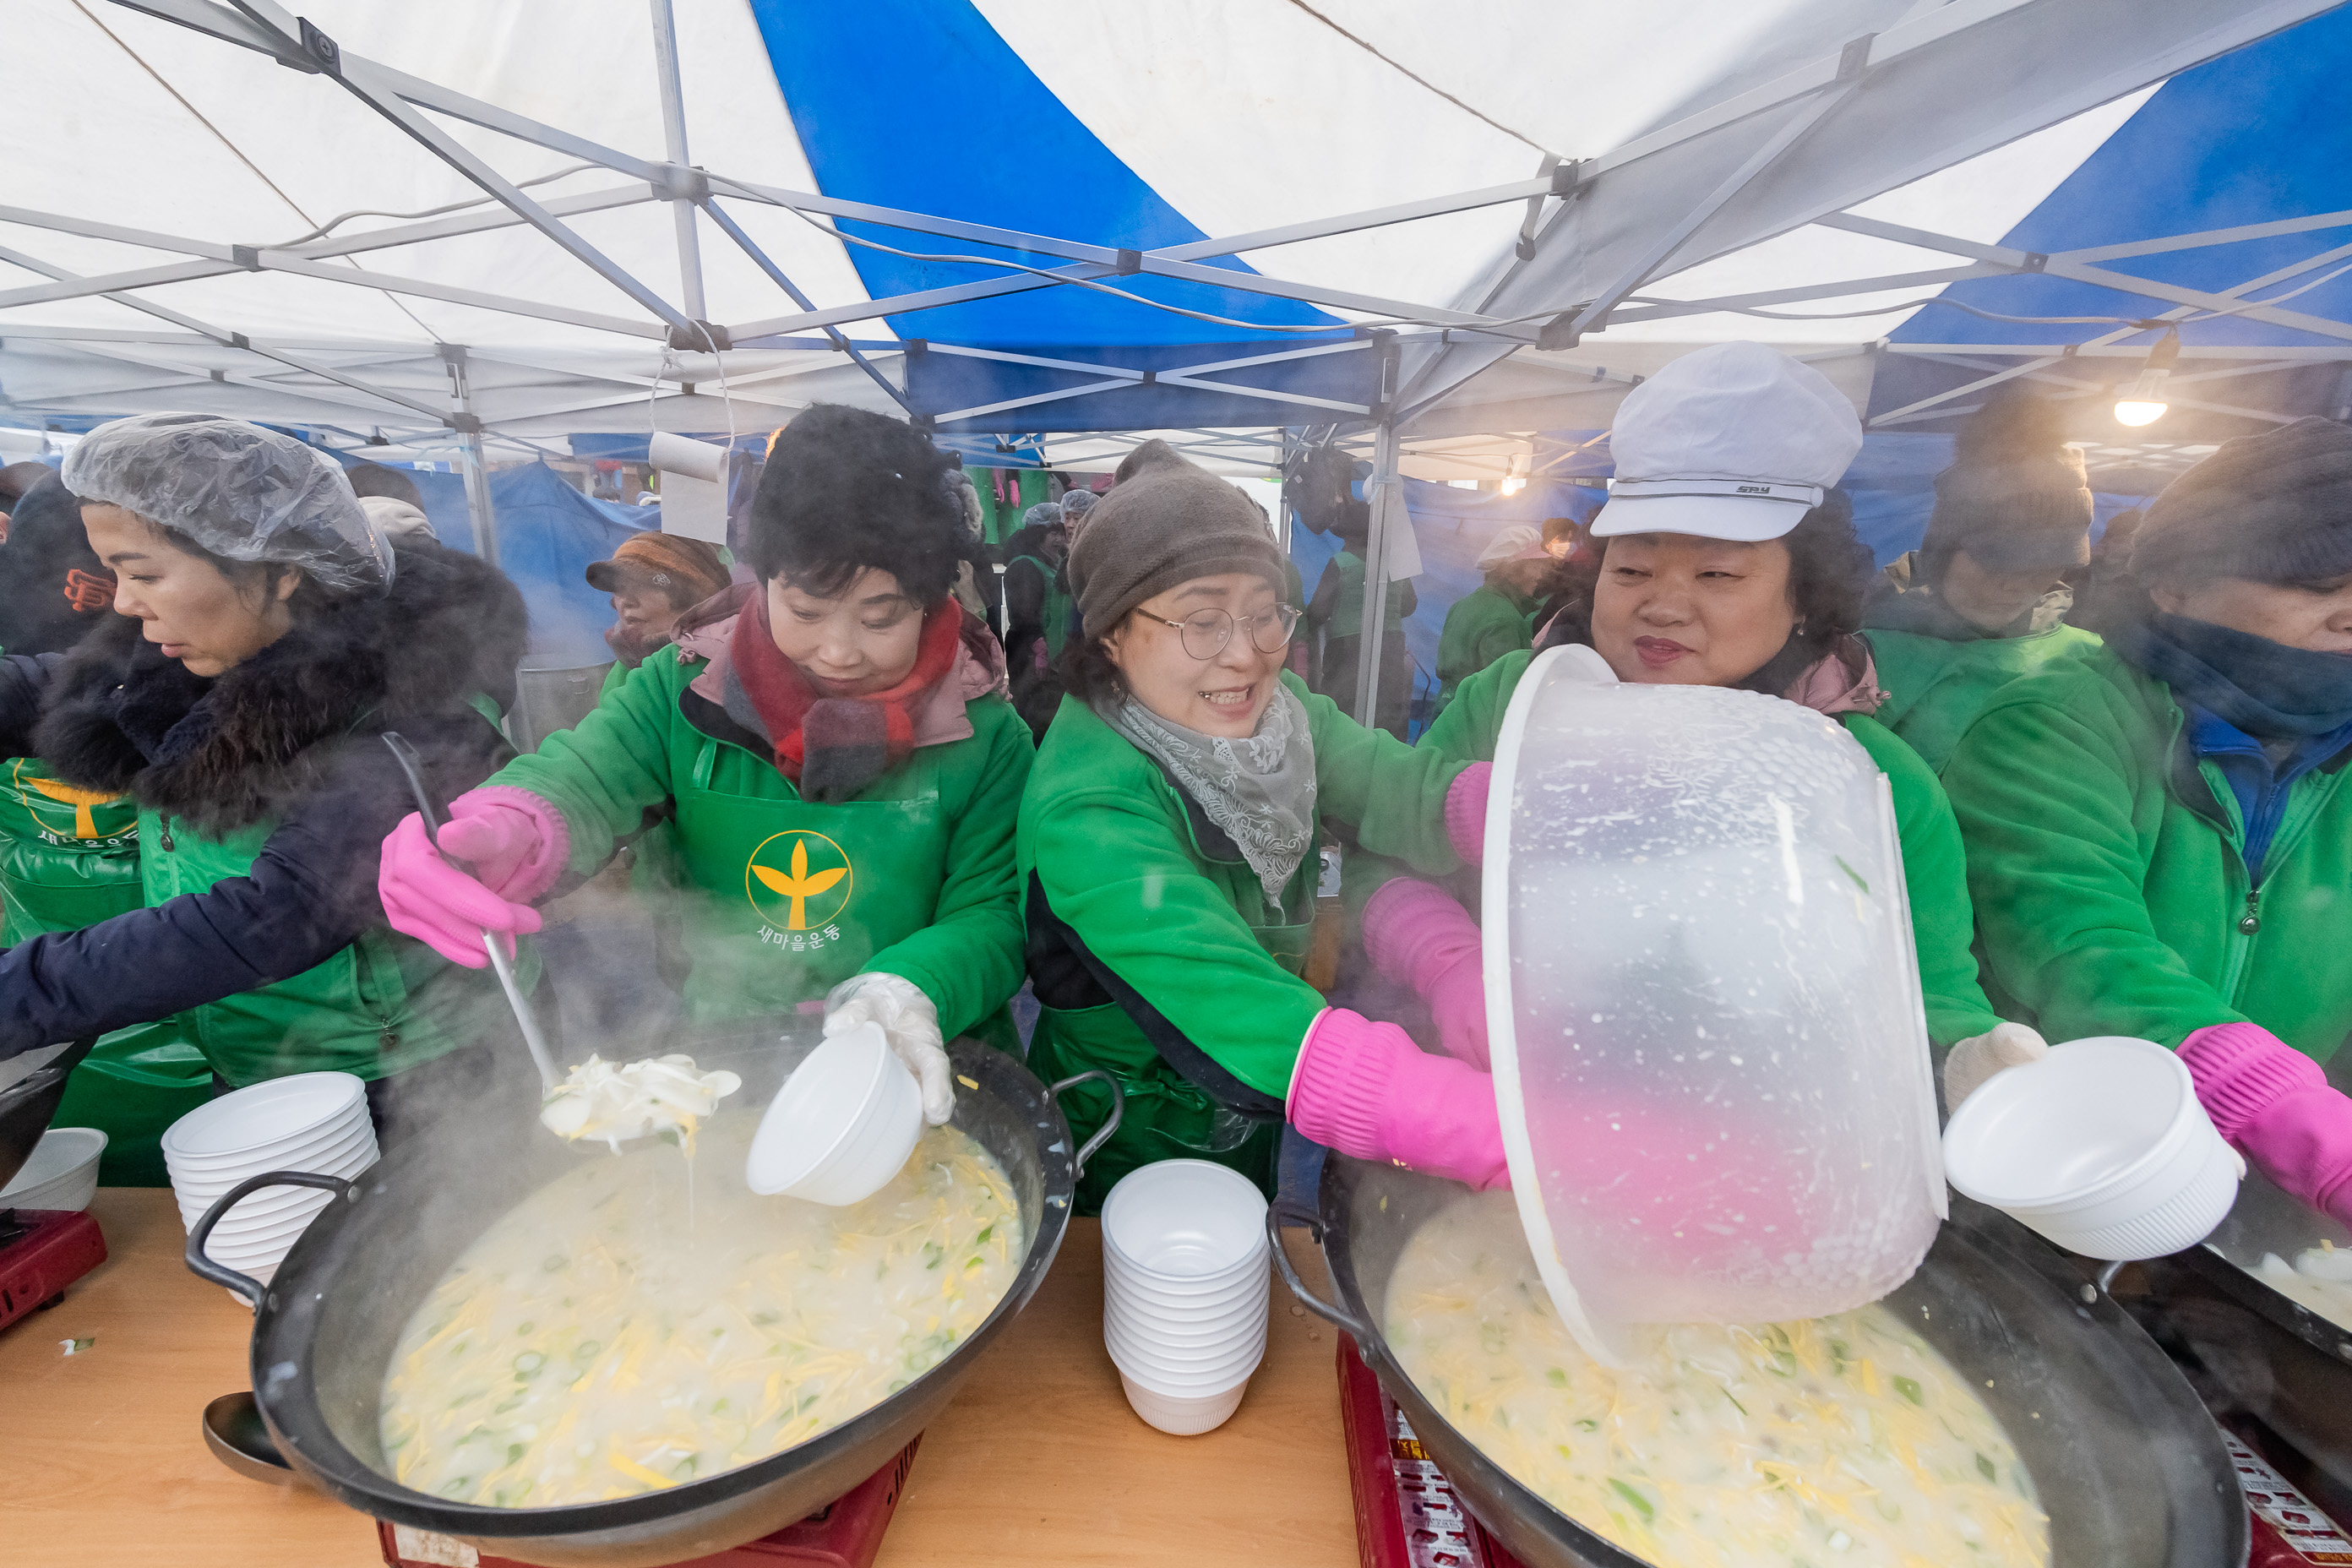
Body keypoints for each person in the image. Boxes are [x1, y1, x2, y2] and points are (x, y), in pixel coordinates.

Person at [1350, 344, 2010, 1082]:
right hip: (1495, 1097)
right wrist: (1438, 955)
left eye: (1717, 573)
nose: (1661, 605)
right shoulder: (1509, 701)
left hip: (1751, 1130)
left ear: (1803, 598)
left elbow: (1931, 992)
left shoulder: (1872, 779)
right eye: (1631, 568)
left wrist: (1955, 1061)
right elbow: (1383, 854)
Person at [376, 406, 1032, 1121]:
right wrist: (513, 824)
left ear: (933, 601)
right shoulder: (679, 687)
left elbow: (994, 911)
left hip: (929, 1049)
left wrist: (906, 987)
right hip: (731, 1049)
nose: (840, 651)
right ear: (764, 578)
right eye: (806, 610)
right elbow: (584, 776)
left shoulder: (986, 735)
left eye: (881, 618)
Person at [0, 415, 534, 1147]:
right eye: (115, 572)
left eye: (144, 573)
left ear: (278, 569)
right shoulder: (173, 663)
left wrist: (20, 991)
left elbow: (279, 910)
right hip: (256, 1058)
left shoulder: (414, 706)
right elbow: (42, 686)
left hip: (412, 1075)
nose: (123, 603)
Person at [1020, 439, 1500, 1211]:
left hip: (1253, 1108)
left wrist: (1542, 822)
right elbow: (1229, 997)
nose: (1244, 657)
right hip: (1127, 1121)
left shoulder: (1285, 715)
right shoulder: (1089, 800)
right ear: (1111, 632)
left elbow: (1406, 789)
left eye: (1263, 614)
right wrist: (1481, 1129)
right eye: (1202, 621)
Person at [1942, 417, 2352, 1227]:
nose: (2349, 615)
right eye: (2315, 584)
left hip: (2260, 1196)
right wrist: (2269, 1097)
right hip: (2052, 1168)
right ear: (2176, 584)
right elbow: (2077, 941)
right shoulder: (2060, 720)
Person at [1860, 392, 2101, 770]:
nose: (2017, 586)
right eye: (1997, 560)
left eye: (2046, 564)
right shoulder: (1862, 657)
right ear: (1943, 549)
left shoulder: (2091, 661)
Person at [1304, 510, 1418, 739]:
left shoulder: (1341, 563)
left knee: (1345, 706)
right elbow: (1409, 605)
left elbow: (1318, 610)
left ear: (1350, 536)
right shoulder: (1394, 565)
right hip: (1391, 644)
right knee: (1385, 705)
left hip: (1347, 647)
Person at [1434, 525, 1550, 715]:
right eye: (1534, 567)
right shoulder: (1506, 620)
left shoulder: (1462, 605)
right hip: (1472, 719)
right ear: (1511, 570)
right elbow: (1503, 691)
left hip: (1445, 710)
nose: (1539, 576)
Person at [585, 531, 732, 677]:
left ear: (696, 598)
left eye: (644, 585)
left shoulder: (726, 665)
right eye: (619, 588)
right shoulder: (621, 669)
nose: (627, 601)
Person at [1000, 500, 1074, 741]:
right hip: (1029, 655)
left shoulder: (1049, 562)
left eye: (1060, 533)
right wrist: (1039, 648)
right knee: (1033, 713)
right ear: (1036, 535)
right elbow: (1023, 613)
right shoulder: (1025, 565)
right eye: (1052, 533)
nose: (1059, 539)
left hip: (1047, 655)